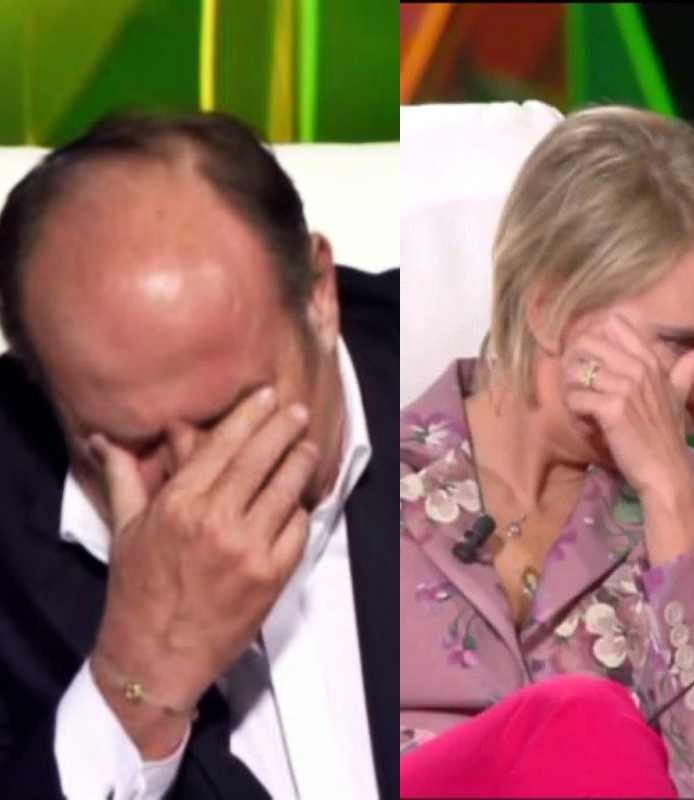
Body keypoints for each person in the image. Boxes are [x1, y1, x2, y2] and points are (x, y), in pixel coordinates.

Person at [0, 113, 398, 798]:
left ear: (318, 295)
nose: (195, 480)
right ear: (44, 385)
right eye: (132, 441)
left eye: (230, 414)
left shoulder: (452, 367)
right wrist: (136, 681)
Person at [399, 105, 694, 797]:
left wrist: (671, 496)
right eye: (682, 344)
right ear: (549, 309)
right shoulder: (363, 478)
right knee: (583, 718)